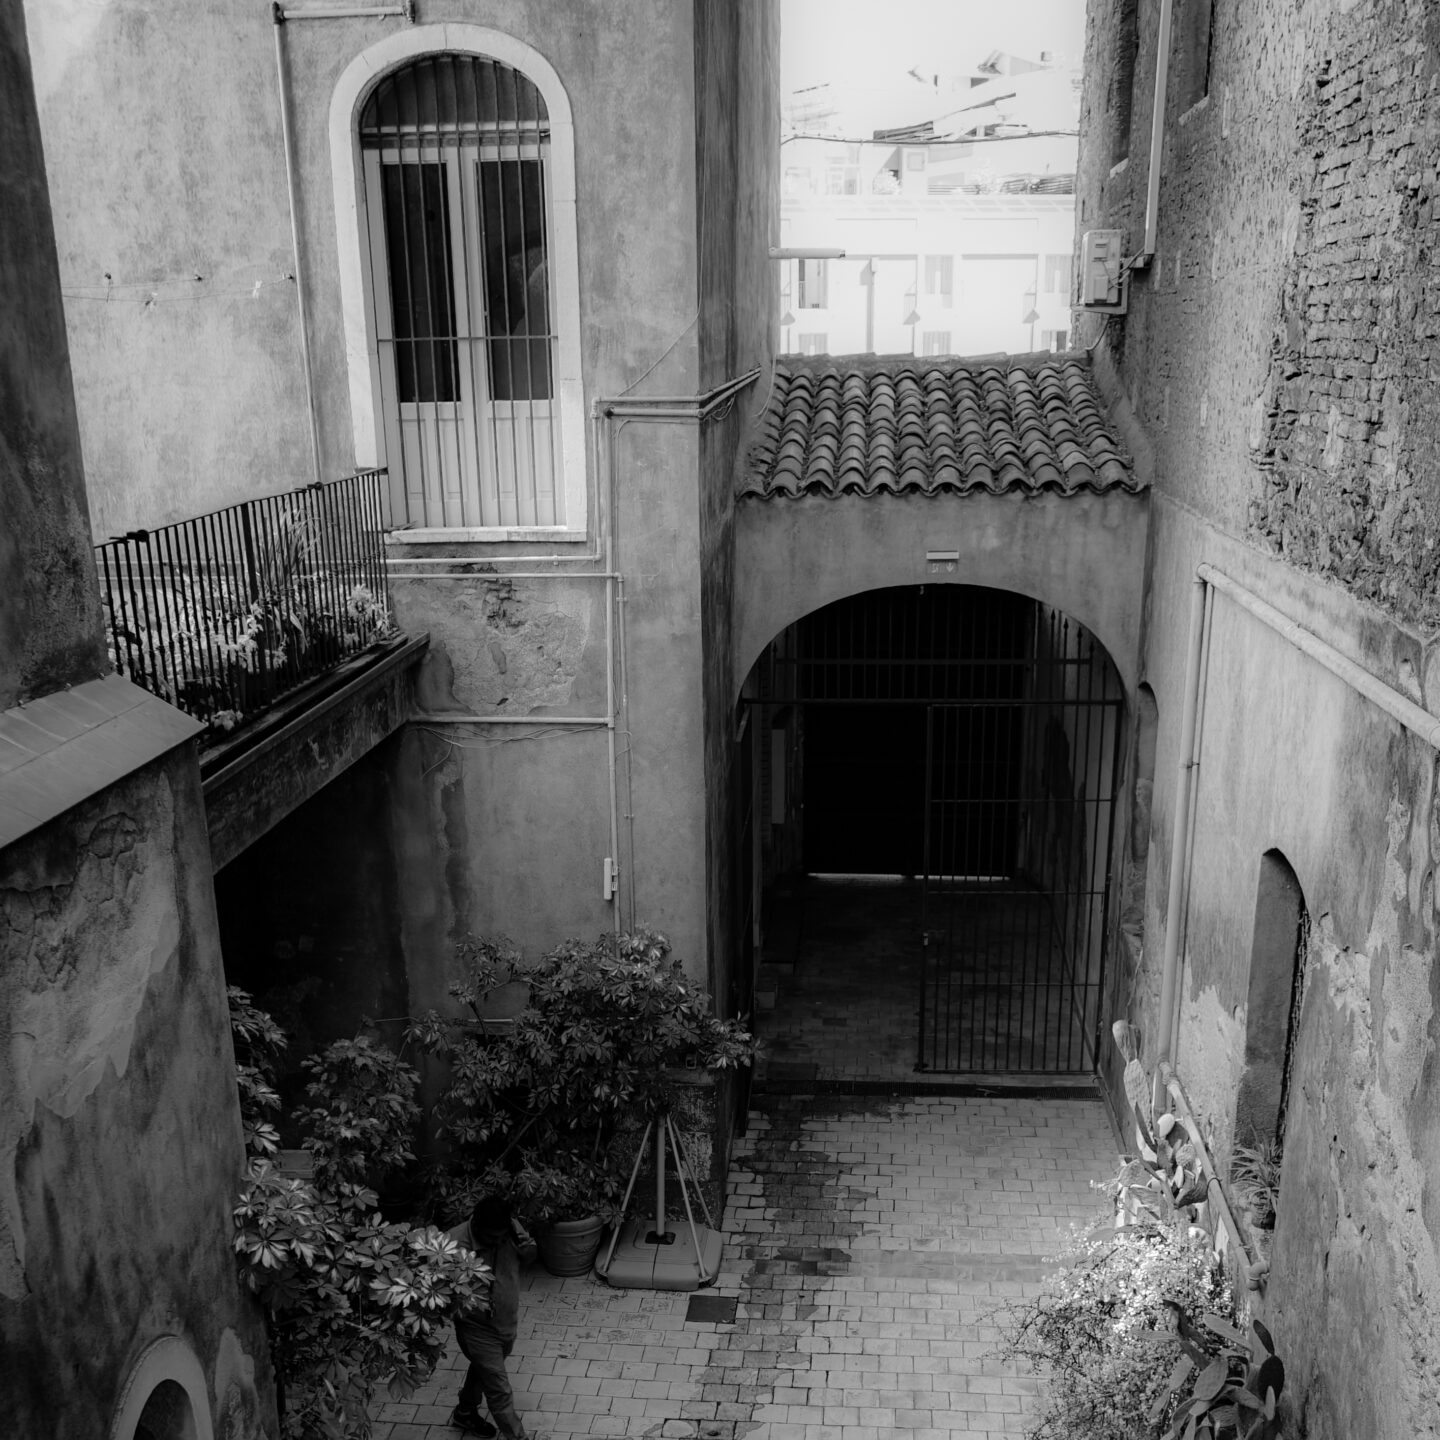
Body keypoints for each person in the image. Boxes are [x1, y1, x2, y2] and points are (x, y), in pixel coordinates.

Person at [446, 1196, 537, 1439]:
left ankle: (465, 1412)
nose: (497, 1242)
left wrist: (527, 1248)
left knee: (484, 1369)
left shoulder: (509, 1228)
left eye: (501, 1237)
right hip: (476, 1327)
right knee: (499, 1389)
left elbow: (528, 1256)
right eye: (491, 1239)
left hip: (506, 1322)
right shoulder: (453, 1244)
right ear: (477, 1226)